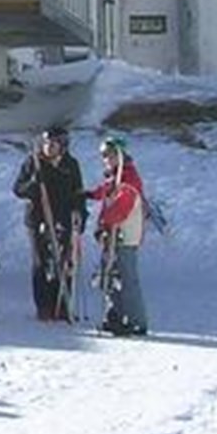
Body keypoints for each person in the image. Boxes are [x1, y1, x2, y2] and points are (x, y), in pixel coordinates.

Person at [11, 124, 88, 321]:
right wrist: (33, 184)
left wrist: (80, 214)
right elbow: (18, 189)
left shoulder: (70, 165)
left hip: (62, 218)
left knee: (64, 262)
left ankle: (62, 305)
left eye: (53, 144)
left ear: (63, 146)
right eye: (46, 143)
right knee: (42, 262)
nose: (48, 147)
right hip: (39, 219)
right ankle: (43, 306)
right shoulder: (34, 162)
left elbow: (78, 193)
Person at [88, 134, 151, 336]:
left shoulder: (129, 179)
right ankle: (115, 315)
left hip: (125, 235)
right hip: (113, 235)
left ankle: (136, 320)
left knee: (126, 278)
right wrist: (90, 194)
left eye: (110, 155)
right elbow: (106, 190)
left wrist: (104, 224)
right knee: (110, 276)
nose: (106, 159)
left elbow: (120, 208)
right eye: (104, 155)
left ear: (120, 155)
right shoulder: (116, 177)